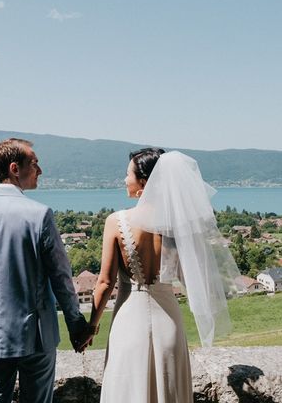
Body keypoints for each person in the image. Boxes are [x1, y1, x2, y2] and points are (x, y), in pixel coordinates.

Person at [85, 148, 239, 403]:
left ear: (144, 182)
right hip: (169, 322)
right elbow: (191, 276)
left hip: (129, 322)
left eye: (128, 174)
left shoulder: (116, 221)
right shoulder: (177, 226)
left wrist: (91, 327)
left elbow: (104, 283)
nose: (124, 180)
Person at [0, 138, 89, 403]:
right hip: (37, 337)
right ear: (14, 168)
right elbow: (61, 276)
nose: (40, 170)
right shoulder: (39, 215)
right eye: (35, 163)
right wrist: (76, 325)